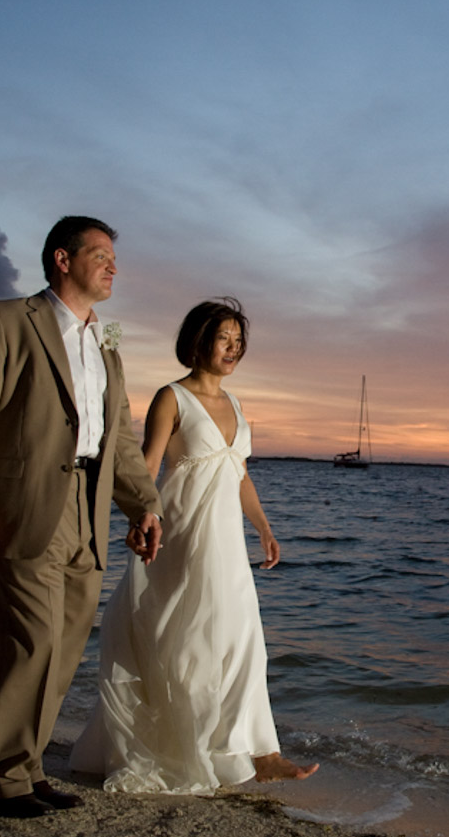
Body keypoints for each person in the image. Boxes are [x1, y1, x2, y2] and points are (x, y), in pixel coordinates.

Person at [0, 215, 164, 818]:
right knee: (28, 641)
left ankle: (28, 766)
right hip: (22, 505)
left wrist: (143, 505)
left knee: (64, 646)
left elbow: (117, 438)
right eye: (100, 255)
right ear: (62, 260)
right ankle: (3, 779)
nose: (113, 266)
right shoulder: (5, 319)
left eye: (115, 257)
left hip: (90, 508)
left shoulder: (109, 340)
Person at [70, 298, 317, 793]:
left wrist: (264, 529)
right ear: (199, 341)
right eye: (224, 339)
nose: (233, 349)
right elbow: (145, 466)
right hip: (183, 536)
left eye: (238, 341)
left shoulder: (238, 404)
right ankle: (192, 746)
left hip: (227, 542)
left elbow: (238, 472)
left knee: (244, 641)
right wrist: (143, 516)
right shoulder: (172, 398)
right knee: (189, 644)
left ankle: (259, 752)